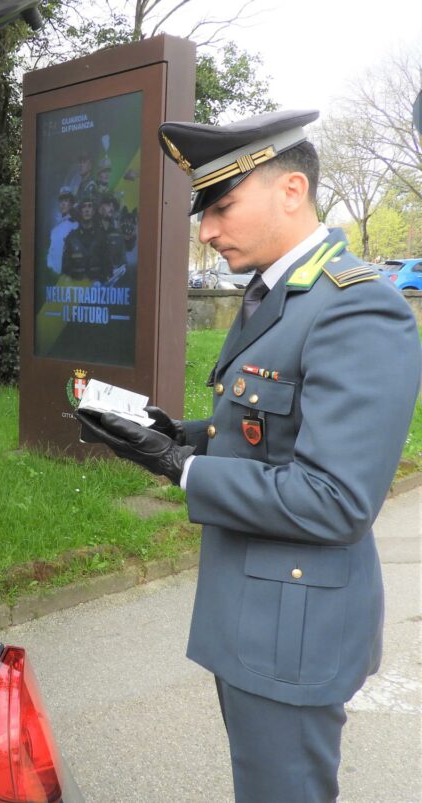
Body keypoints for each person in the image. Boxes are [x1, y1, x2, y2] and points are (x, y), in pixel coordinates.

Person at [76, 110, 421, 802]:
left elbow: (337, 498)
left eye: (222, 206)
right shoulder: (276, 292)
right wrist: (177, 434)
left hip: (294, 633)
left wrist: (186, 469)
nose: (205, 229)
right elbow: (266, 432)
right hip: (255, 615)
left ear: (292, 191)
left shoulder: (357, 309)